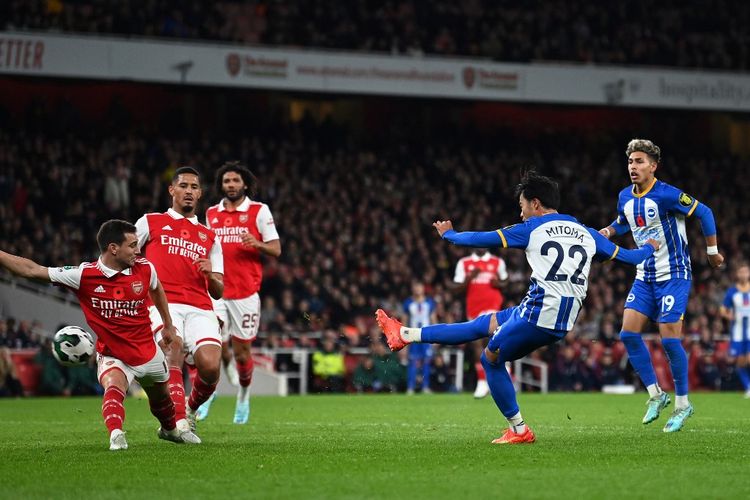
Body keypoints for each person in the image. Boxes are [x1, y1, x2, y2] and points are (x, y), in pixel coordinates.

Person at [376, 171, 660, 444]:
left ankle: (519, 430)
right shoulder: (586, 233)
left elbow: (481, 238)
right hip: (557, 315)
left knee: (490, 359)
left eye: (522, 206)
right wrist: (650, 247)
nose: (521, 212)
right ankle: (405, 335)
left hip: (540, 314)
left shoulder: (531, 228)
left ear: (536, 203)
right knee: (481, 325)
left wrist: (450, 235)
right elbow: (631, 257)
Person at [0, 219, 199, 449]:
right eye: (132, 245)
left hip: (147, 351)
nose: (138, 250)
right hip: (114, 354)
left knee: (161, 399)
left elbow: (157, 289)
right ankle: (116, 434)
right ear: (114, 248)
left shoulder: (145, 268)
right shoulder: (84, 275)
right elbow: (32, 270)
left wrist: (167, 323)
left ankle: (170, 430)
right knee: (115, 384)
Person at [599, 139, 723, 432]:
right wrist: (607, 231)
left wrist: (711, 251)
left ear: (653, 166)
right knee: (628, 334)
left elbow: (704, 212)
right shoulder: (624, 197)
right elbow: (623, 222)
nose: (633, 166)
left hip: (674, 274)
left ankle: (683, 404)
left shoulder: (667, 195)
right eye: (631, 161)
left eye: (640, 161)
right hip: (645, 275)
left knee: (669, 340)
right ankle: (656, 395)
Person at [135, 167, 224, 434]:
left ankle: (189, 410)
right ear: (172, 190)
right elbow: (126, 257)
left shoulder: (210, 236)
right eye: (183, 185)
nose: (189, 191)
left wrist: (210, 275)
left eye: (194, 187)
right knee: (172, 349)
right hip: (164, 304)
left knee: (210, 367)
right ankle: (177, 423)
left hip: (200, 307)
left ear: (200, 194)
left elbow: (218, 290)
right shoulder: (149, 222)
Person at [197, 161, 281, 424]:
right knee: (212, 345)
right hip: (217, 291)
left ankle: (243, 396)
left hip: (245, 293)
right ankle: (206, 394)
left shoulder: (258, 211)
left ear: (244, 184)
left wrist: (256, 243)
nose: (230, 185)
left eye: (235, 181)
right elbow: (206, 245)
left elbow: (276, 249)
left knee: (242, 352)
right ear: (221, 185)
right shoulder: (212, 213)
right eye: (226, 181)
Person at [453, 248, 508, 398]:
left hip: (493, 306)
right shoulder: (464, 263)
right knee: (477, 343)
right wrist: (469, 278)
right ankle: (483, 381)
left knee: (490, 339)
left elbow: (506, 282)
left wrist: (500, 284)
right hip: (473, 308)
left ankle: (499, 376)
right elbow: (455, 289)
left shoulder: (497, 262)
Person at [720, 263, 750, 398]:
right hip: (738, 332)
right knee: (740, 362)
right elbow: (722, 309)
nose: (743, 274)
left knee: (748, 359)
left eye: (745, 272)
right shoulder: (732, 292)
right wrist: (728, 315)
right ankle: (748, 387)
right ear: (738, 275)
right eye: (741, 272)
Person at [403, 281, 437, 394]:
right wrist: (403, 337)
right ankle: (410, 387)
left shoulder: (429, 302)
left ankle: (425, 387)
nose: (417, 289)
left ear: (423, 288)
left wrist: (436, 336)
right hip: (412, 336)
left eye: (419, 286)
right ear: (413, 288)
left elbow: (433, 319)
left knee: (426, 361)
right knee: (413, 361)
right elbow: (404, 321)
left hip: (426, 336)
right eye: (415, 286)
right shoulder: (408, 303)